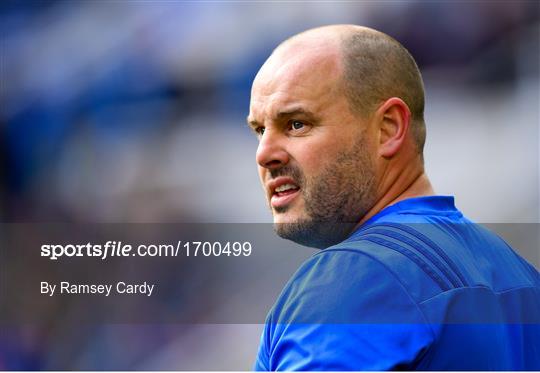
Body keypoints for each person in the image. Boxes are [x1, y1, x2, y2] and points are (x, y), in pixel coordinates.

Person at [247, 25, 540, 370]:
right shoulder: (520, 277)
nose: (264, 154)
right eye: (260, 130)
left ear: (388, 128)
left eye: (296, 124)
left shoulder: (359, 277)